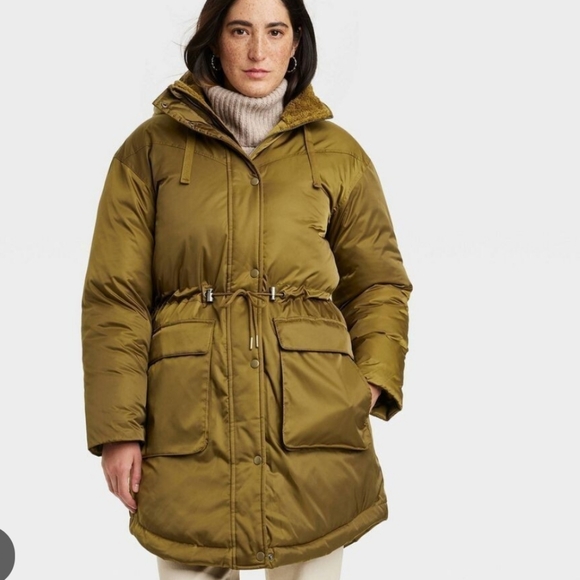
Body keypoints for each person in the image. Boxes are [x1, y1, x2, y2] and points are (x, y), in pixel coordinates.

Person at [81, 0, 413, 578]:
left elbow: (378, 282)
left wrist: (369, 384)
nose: (258, 51)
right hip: (187, 425)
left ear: (295, 43)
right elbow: (116, 300)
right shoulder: (149, 151)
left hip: (315, 424)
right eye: (240, 30)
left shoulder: (337, 154)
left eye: (274, 31)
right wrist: (118, 430)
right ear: (214, 40)